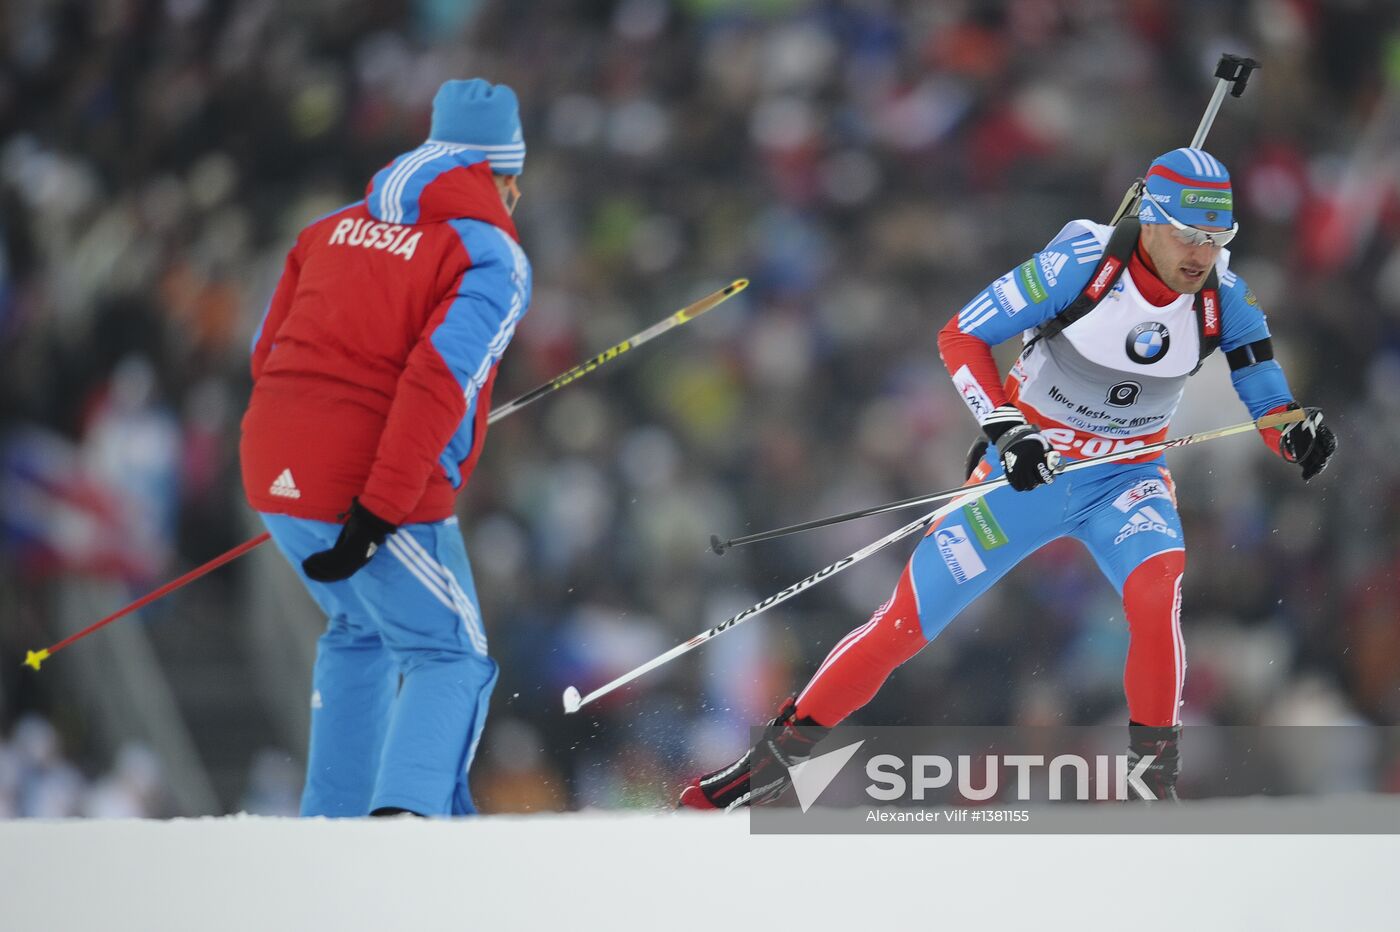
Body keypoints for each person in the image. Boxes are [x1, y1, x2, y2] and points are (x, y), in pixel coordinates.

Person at [681, 147, 1336, 808]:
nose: (1204, 253)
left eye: (1218, 237)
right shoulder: (1085, 263)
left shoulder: (1225, 295)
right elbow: (960, 336)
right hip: (1026, 476)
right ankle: (768, 764)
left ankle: (1152, 785)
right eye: (1190, 235)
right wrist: (1007, 431)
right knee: (903, 628)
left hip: (1124, 479)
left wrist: (1295, 434)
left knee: (1155, 594)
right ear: (1153, 219)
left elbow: (1264, 390)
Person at [239, 78, 531, 817]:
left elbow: (265, 351)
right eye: (515, 184)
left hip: (272, 468)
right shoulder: (490, 253)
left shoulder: (329, 227)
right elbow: (437, 380)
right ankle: (405, 826)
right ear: (497, 174)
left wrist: (305, 459)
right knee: (449, 652)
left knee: (359, 628)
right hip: (370, 485)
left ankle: (334, 822)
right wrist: (378, 509)